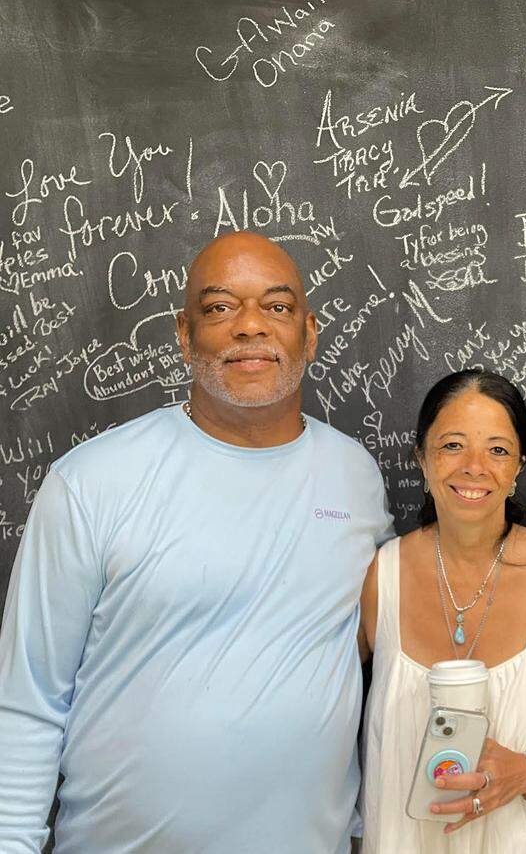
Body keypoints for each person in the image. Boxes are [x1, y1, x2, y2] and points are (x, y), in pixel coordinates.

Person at [0, 231, 393, 853]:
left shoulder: (356, 477)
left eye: (277, 306)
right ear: (184, 335)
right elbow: (27, 702)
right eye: (219, 308)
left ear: (310, 333)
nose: (249, 327)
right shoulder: (92, 482)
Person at [358, 369, 526, 853]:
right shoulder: (380, 575)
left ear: (519, 465)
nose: (475, 467)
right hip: (401, 839)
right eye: (452, 445)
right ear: (421, 459)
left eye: (497, 450)